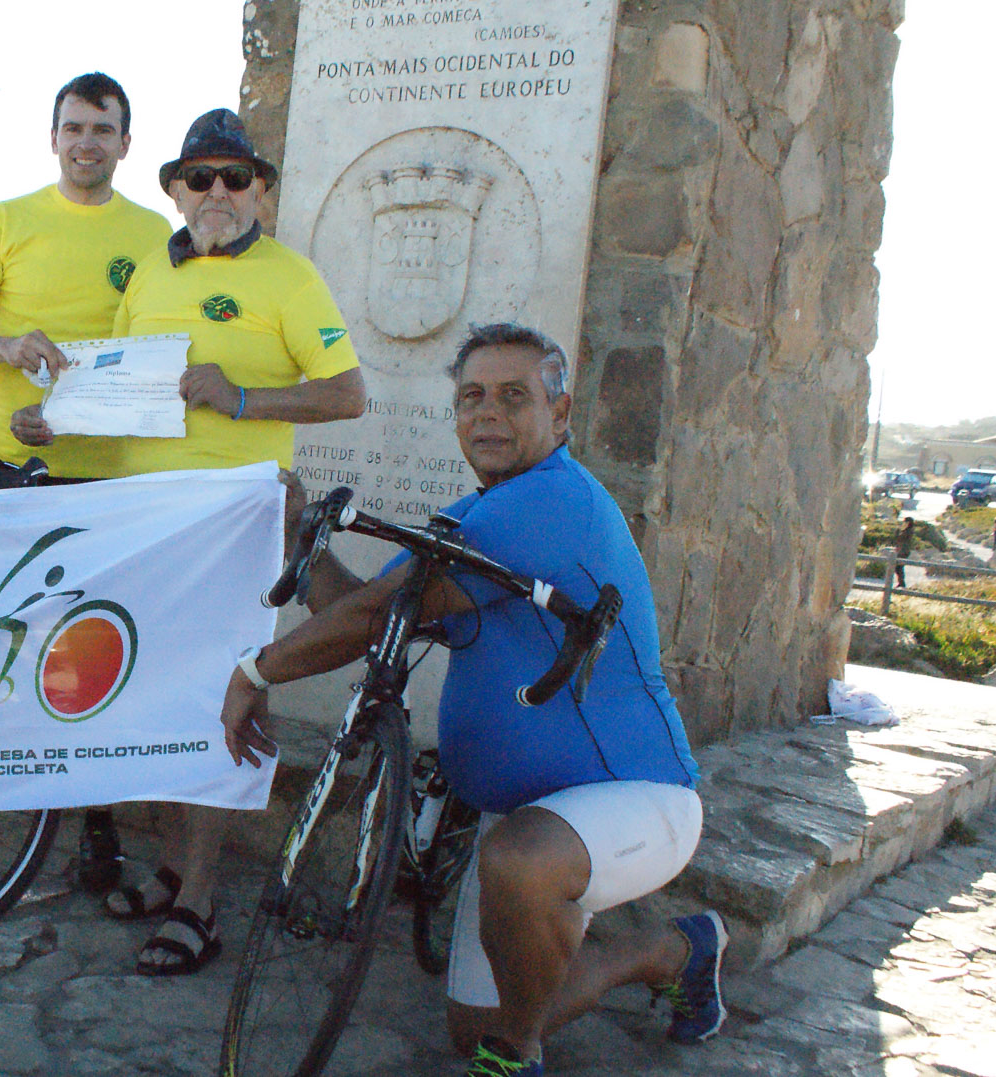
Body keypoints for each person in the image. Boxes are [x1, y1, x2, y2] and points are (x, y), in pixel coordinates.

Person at [217, 324, 721, 1074]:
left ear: (561, 413)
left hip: (637, 797)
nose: (488, 412)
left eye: (514, 396)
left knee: (518, 881)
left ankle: (521, 1055)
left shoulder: (548, 501)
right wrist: (304, 537)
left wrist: (256, 674)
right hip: (521, 813)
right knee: (471, 1024)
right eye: (471, 397)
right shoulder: (475, 517)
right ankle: (671, 951)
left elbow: (369, 613)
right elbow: (370, 607)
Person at [30, 108, 365, 975]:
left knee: (226, 698)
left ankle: (200, 901)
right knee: (159, 692)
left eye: (236, 177)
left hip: (236, 519)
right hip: (152, 513)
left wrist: (245, 401)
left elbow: (347, 393)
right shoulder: (147, 272)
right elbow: (119, 385)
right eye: (200, 177)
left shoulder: (291, 278)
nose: (217, 192)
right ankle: (179, 864)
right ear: (175, 190)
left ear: (261, 191)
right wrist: (52, 420)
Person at [0, 72, 172, 891]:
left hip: (103, 476)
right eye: (73, 126)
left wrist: (80, 417)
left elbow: (152, 355)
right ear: (52, 136)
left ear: (126, 143)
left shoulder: (153, 232)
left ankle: (96, 825)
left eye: (102, 129)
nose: (86, 142)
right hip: (0, 466)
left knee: (93, 653)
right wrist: (8, 350)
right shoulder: (7, 219)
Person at [894, 517, 915, 587]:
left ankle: (902, 583)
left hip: (904, 551)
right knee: (898, 567)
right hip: (902, 551)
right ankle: (901, 582)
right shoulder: (907, 530)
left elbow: (900, 538)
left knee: (898, 567)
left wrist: (897, 531)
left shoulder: (908, 531)